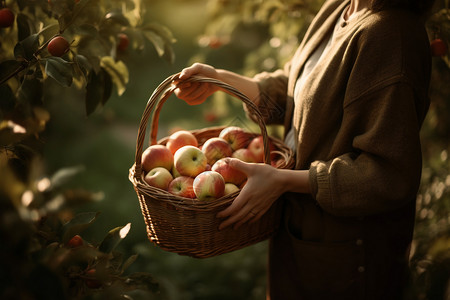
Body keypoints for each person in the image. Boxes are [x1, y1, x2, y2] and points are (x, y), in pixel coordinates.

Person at [174, 0, 435, 298]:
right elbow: (303, 93)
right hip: (301, 233)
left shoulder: (392, 36)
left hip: (347, 256)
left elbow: (388, 176)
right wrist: (220, 80)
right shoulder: (341, 7)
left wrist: (282, 180)